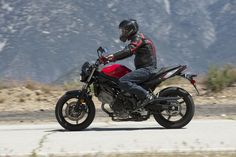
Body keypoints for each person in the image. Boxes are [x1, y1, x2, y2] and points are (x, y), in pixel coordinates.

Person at [107, 19, 157, 109]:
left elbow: (130, 50)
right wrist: (112, 59)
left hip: (147, 69)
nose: (122, 32)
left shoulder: (138, 37)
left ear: (130, 29)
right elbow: (128, 52)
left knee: (123, 81)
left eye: (124, 30)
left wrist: (113, 56)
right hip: (144, 69)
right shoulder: (137, 38)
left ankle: (146, 96)